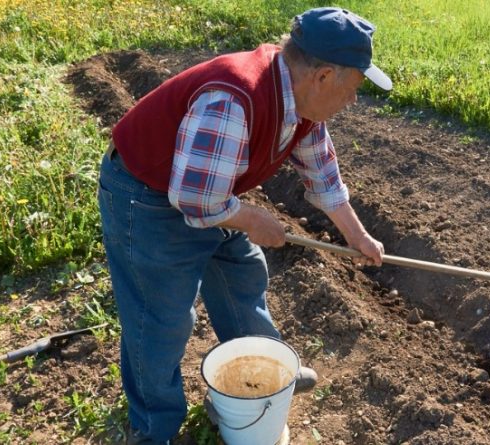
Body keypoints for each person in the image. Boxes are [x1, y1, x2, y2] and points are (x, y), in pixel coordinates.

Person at [97, 7, 392, 444]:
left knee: (241, 276)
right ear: (324, 76)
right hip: (148, 196)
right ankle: (153, 428)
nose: (353, 100)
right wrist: (251, 218)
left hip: (206, 190)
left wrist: (358, 236)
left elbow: (324, 177)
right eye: (354, 87)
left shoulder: (302, 102)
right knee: (160, 320)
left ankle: (259, 384)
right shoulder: (234, 97)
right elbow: (194, 199)